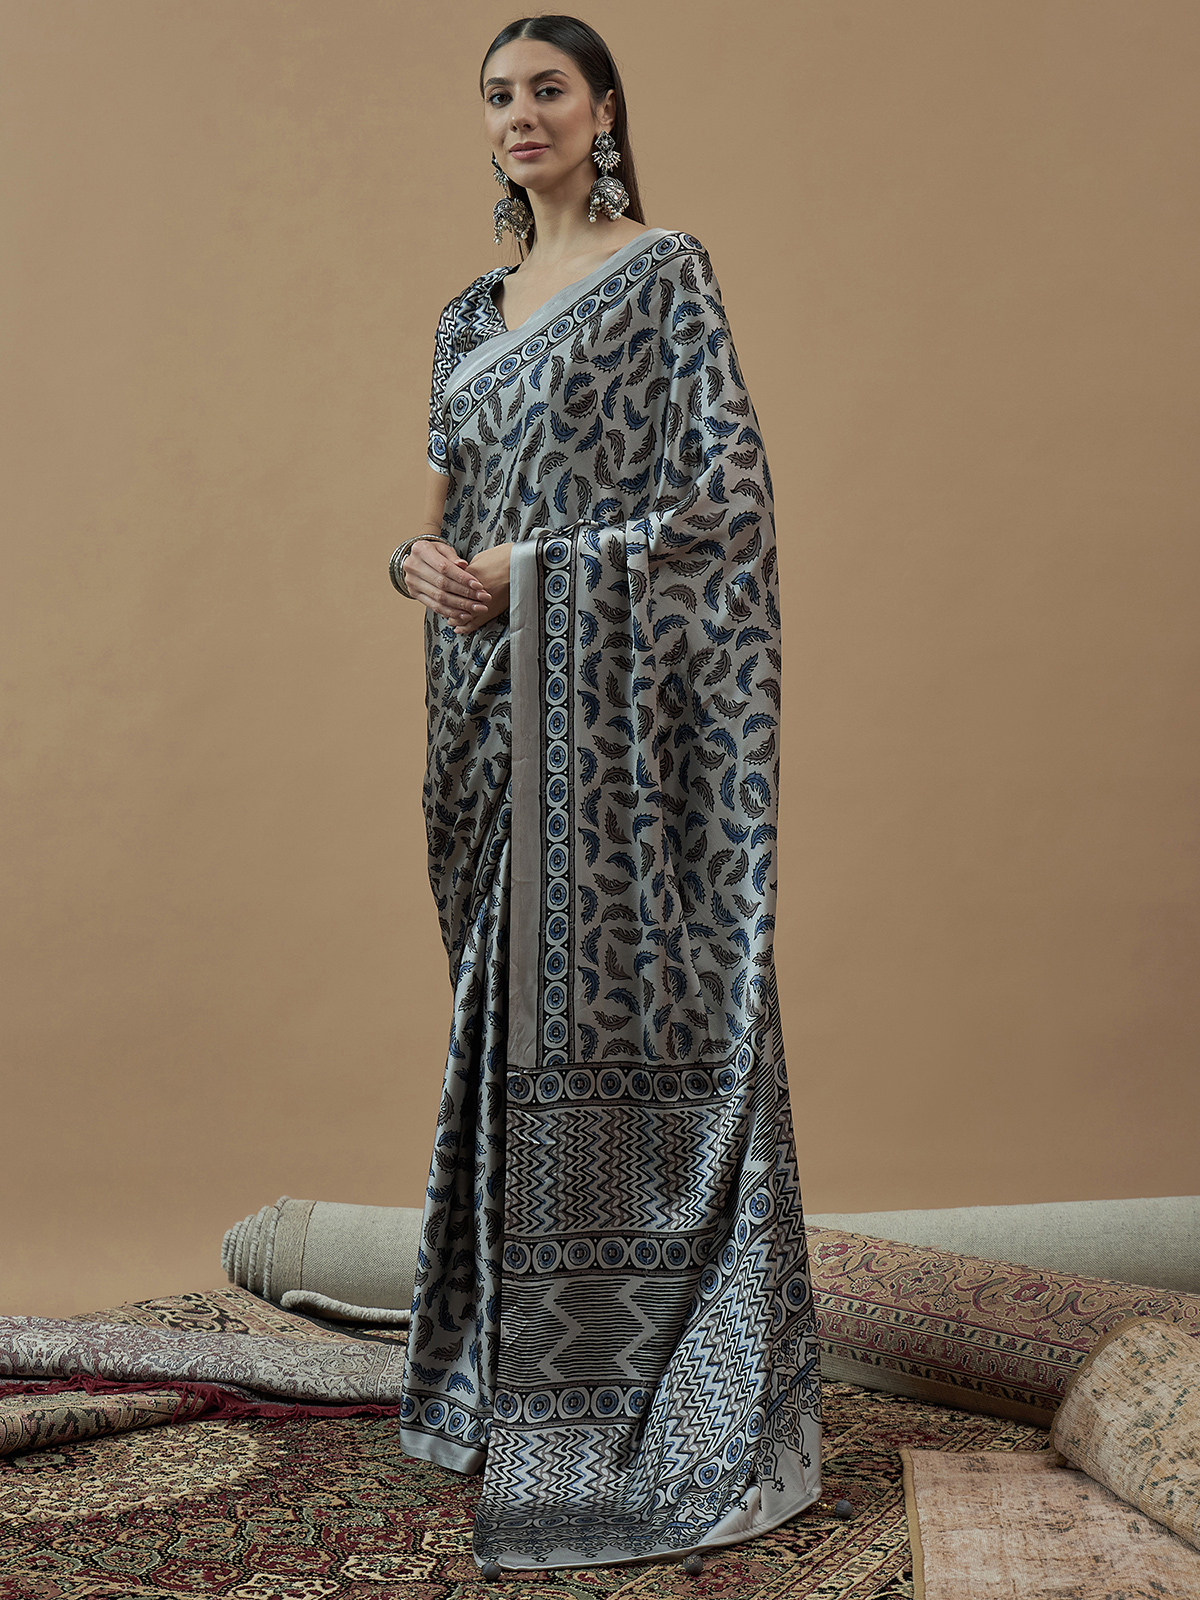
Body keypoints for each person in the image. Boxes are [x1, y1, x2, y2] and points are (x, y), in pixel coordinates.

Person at [389, 15, 821, 1574]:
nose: (521, 116)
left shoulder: (664, 277)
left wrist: (541, 573)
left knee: (631, 1032)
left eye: (548, 90)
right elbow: (441, 510)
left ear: (604, 108)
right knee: (504, 1025)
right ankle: (510, 1381)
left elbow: (727, 513)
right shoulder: (468, 313)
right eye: (498, 96)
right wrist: (421, 568)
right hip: (488, 717)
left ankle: (653, 1380)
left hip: (622, 733)